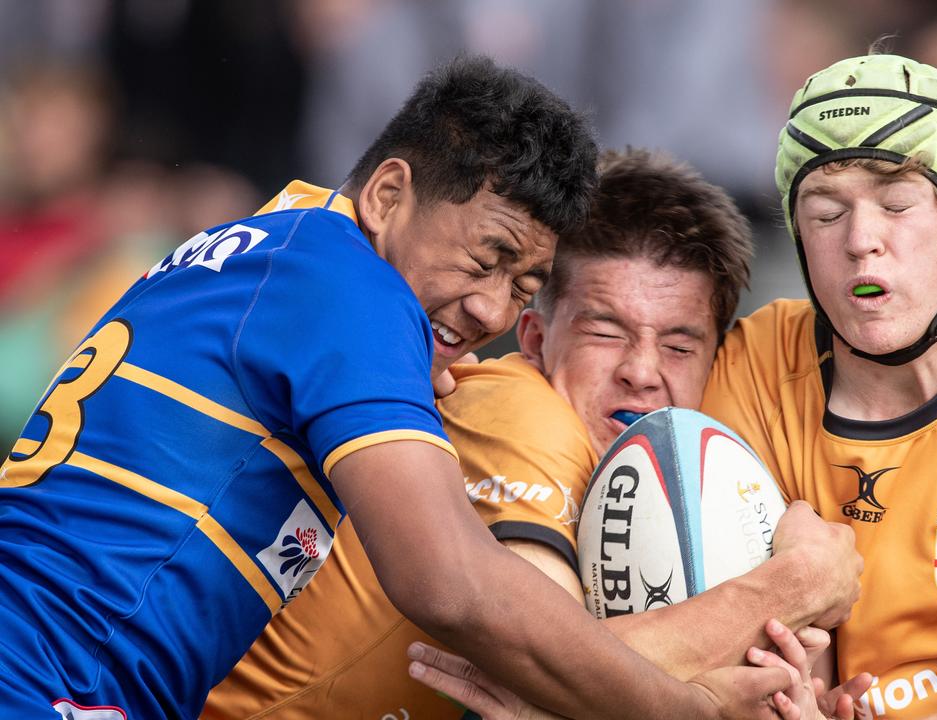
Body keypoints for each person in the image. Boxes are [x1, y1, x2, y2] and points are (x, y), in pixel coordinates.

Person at [0, 58, 804, 720]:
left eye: (525, 286)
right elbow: (452, 586)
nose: (493, 308)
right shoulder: (352, 288)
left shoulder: (283, 242)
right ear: (388, 195)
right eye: (486, 257)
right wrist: (687, 709)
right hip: (41, 678)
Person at [415, 53, 937, 719]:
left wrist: (547, 696)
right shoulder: (754, 364)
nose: (861, 238)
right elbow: (733, 628)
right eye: (826, 211)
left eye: (898, 204)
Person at [202, 147, 862, 718]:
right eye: (606, 331)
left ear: (716, 364)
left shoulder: (686, 474)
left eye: (679, 346)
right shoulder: (518, 407)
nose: (640, 372)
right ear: (536, 340)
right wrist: (795, 585)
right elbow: (548, 666)